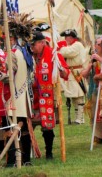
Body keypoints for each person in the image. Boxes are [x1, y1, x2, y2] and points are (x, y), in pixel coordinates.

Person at [30, 31, 69, 159]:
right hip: (32, 98)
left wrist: (60, 68)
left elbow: (65, 74)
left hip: (47, 97)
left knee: (47, 126)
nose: (31, 47)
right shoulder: (29, 55)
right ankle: (28, 153)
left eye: (33, 44)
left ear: (42, 43)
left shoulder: (53, 55)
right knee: (29, 125)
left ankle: (49, 153)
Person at [3, 30, 34, 167]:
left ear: (13, 39)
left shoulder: (13, 53)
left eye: (7, 38)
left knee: (11, 129)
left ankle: (12, 162)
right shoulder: (26, 52)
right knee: (25, 129)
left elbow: (9, 75)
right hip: (24, 96)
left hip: (14, 98)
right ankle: (26, 160)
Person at [59, 29, 87, 124]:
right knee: (74, 96)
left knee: (78, 96)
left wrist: (60, 48)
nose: (66, 39)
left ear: (72, 37)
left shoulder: (77, 45)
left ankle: (80, 118)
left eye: (68, 37)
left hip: (77, 72)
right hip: (72, 71)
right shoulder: (71, 45)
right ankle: (78, 118)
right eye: (66, 37)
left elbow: (67, 53)